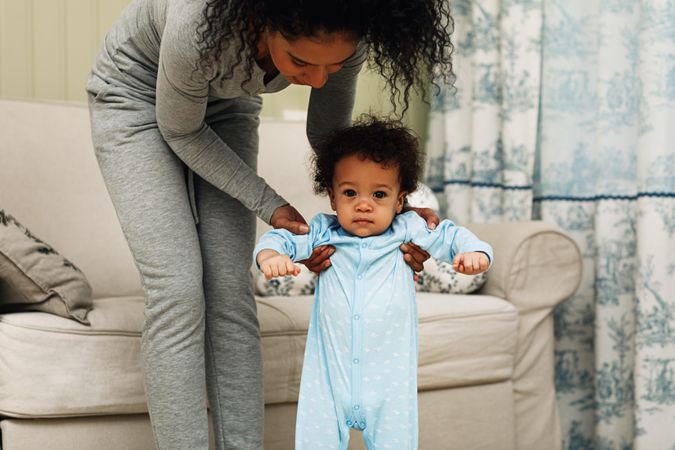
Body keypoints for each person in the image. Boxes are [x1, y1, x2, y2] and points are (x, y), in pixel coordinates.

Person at [85, 1, 454, 448]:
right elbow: (181, 130)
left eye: (333, 65)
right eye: (300, 62)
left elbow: (331, 143)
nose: (318, 79)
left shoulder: (346, 32)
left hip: (227, 103)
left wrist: (391, 214)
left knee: (229, 288)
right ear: (260, 21)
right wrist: (269, 204)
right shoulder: (198, 21)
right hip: (136, 98)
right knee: (178, 288)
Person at [254, 117, 493, 449]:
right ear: (333, 198)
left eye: (379, 194)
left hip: (389, 384)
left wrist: (474, 251)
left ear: (400, 201)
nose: (363, 204)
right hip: (328, 380)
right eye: (350, 192)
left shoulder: (407, 228)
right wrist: (270, 256)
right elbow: (283, 240)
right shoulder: (324, 230)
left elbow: (450, 236)